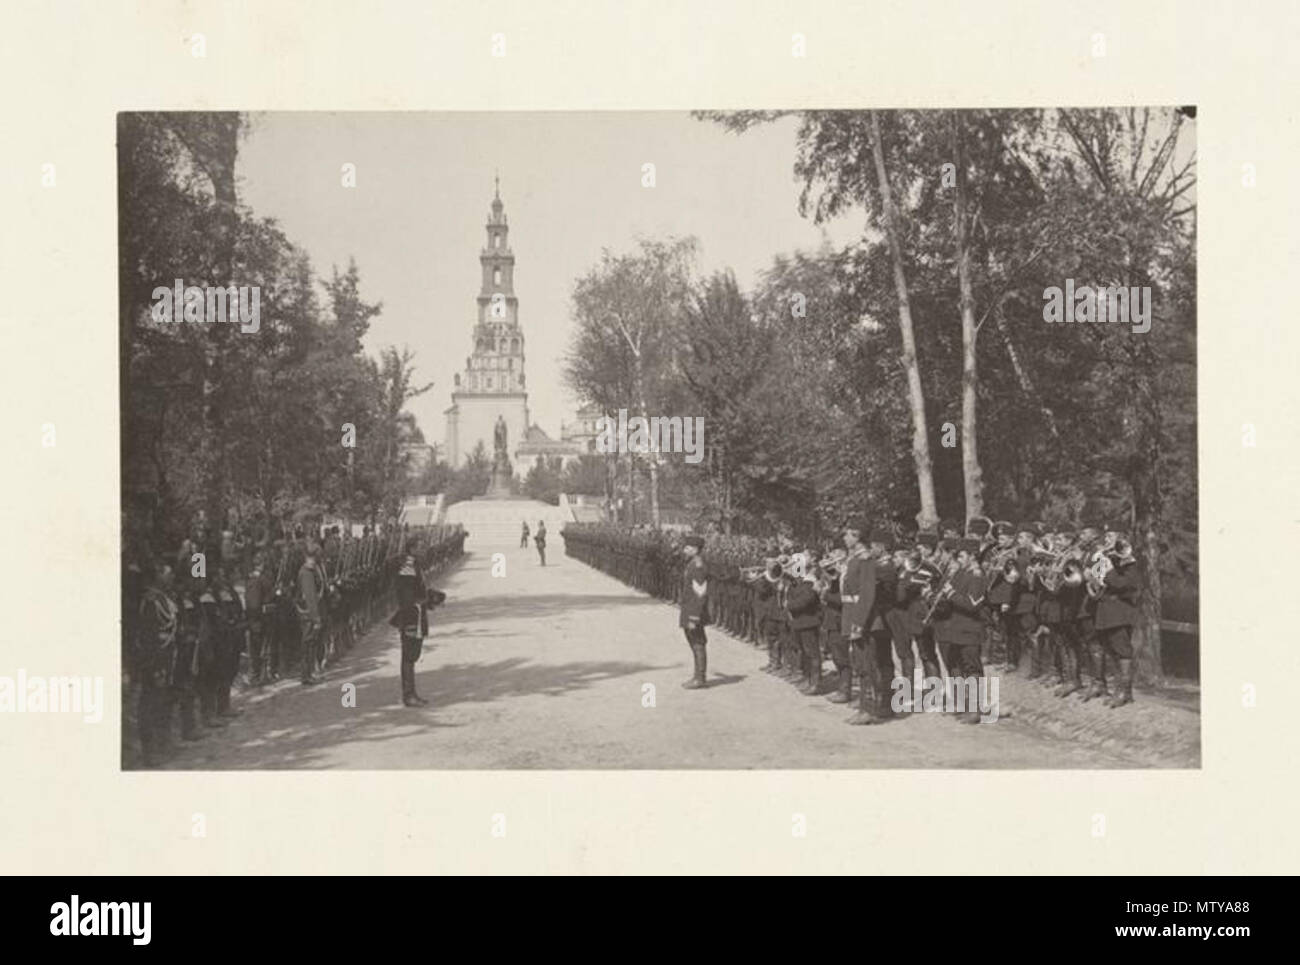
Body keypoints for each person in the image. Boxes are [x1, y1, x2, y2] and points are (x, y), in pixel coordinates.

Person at [390, 551, 447, 707]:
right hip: (410, 619)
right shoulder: (407, 571)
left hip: (415, 616)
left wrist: (430, 600)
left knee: (412, 657)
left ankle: (411, 693)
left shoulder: (414, 569)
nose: (422, 551)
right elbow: (409, 599)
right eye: (419, 547)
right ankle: (408, 695)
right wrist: (428, 599)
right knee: (409, 656)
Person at [679, 534, 710, 689]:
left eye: (687, 547)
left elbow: (700, 593)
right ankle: (697, 676)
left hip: (694, 612)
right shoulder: (692, 563)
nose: (685, 550)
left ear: (696, 549)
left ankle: (700, 678)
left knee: (698, 643)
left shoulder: (698, 566)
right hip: (690, 609)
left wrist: (693, 617)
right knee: (694, 642)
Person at [296, 542, 324, 686]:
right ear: (305, 558)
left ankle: (308, 673)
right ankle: (306, 675)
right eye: (310, 558)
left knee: (310, 643)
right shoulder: (306, 573)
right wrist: (316, 619)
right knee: (308, 644)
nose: (312, 561)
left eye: (314, 558)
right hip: (308, 614)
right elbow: (310, 597)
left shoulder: (310, 571)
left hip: (308, 613)